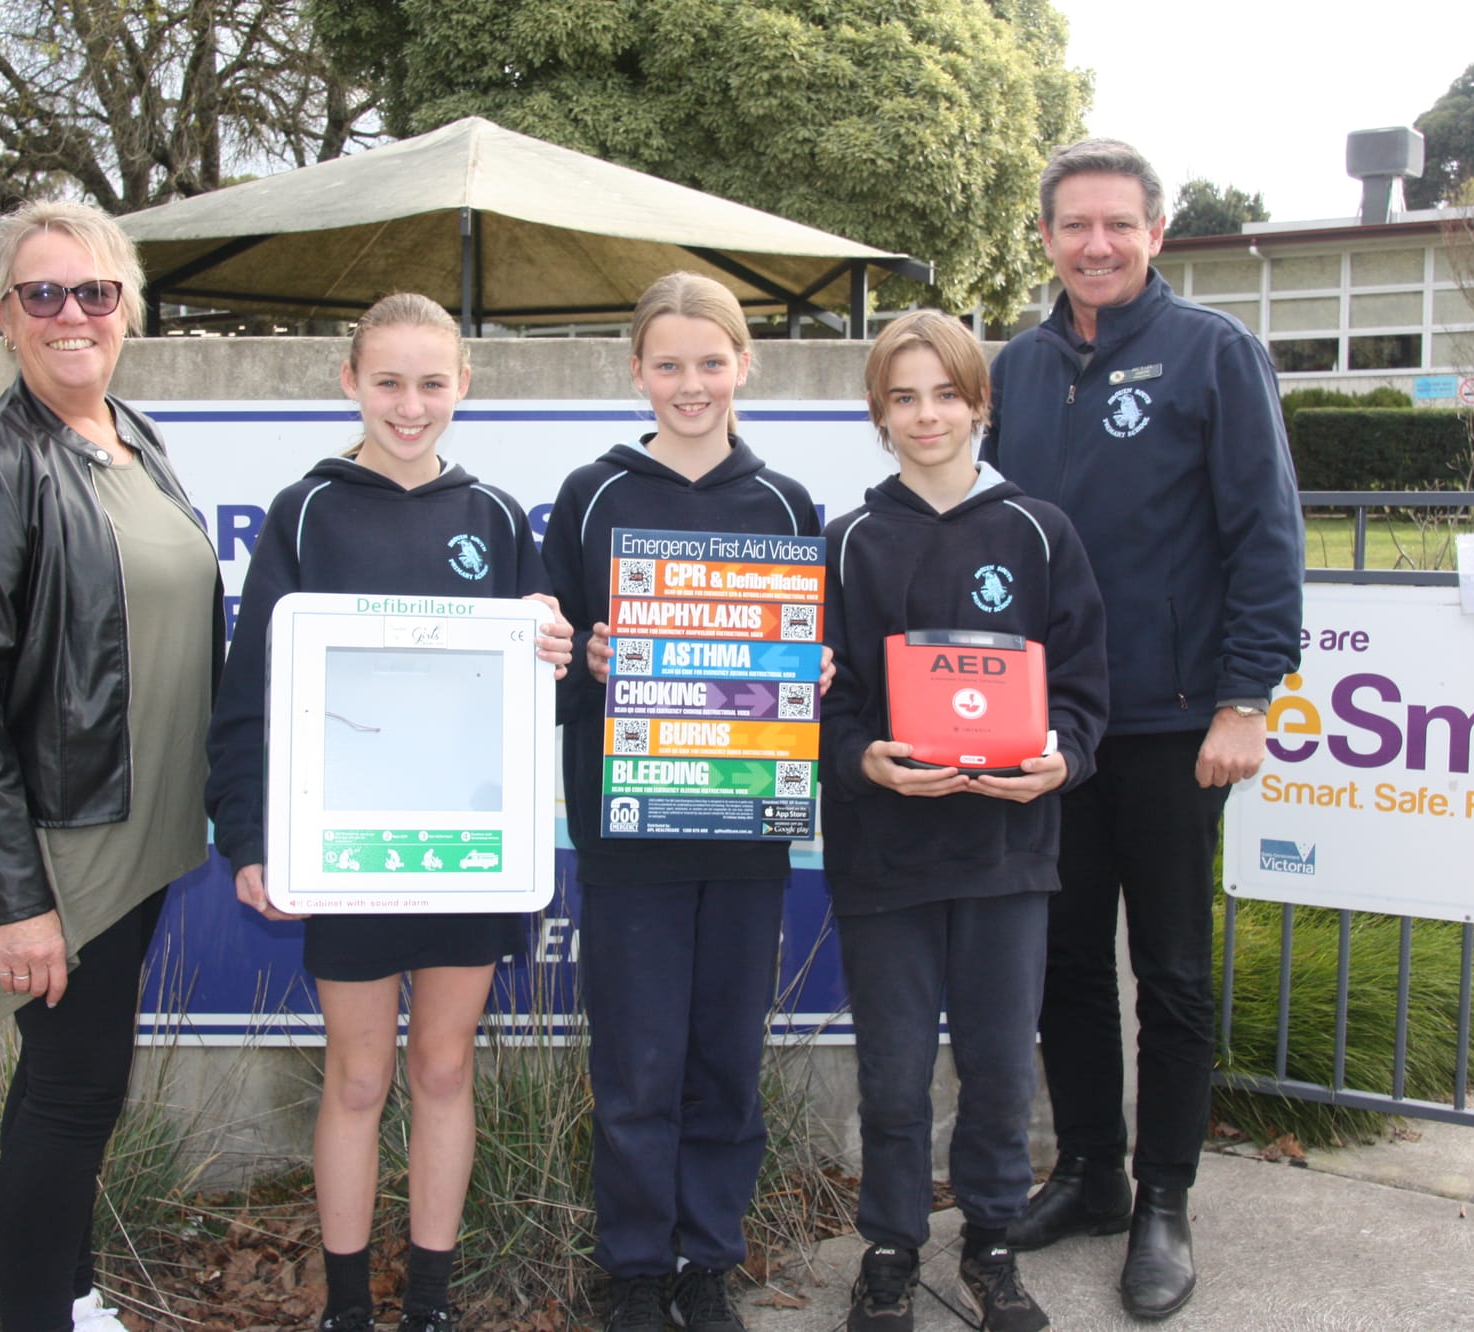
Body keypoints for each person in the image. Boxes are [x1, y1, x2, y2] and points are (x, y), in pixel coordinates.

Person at [979, 138, 1304, 1320]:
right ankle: (1088, 1174)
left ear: (1154, 234)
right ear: (1047, 237)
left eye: (1117, 224)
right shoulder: (1012, 367)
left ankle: (1163, 1200)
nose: (1096, 245)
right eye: (1074, 226)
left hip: (1176, 726)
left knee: (1166, 971)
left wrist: (1243, 700)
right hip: (1050, 726)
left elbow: (1264, 536)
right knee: (1062, 964)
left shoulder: (1210, 353)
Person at [204, 292, 572, 1332]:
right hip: (347, 847)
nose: (409, 406)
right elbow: (250, 696)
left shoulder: (495, 518)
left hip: (464, 849)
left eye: (431, 382)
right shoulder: (306, 511)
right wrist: (248, 836)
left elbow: (538, 683)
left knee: (444, 1067)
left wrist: (547, 639)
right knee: (359, 1080)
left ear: (464, 386)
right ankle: (344, 1310)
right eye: (388, 382)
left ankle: (429, 1305)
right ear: (348, 383)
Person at [0, 200, 224, 1332]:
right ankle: (38, 1318)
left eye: (94, 291)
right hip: (63, 845)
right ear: (4, 315)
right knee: (71, 1092)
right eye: (42, 294)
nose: (71, 314)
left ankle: (70, 1293)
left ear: (128, 308)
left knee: (72, 1089)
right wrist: (16, 900)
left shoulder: (130, 437)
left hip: (139, 826)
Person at [542, 272, 824, 1332]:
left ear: (743, 365)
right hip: (627, 832)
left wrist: (809, 680)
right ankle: (632, 1268)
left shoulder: (789, 504)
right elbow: (550, 660)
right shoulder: (593, 493)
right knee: (636, 1060)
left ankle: (706, 1261)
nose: (690, 383)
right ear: (635, 371)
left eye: (710, 362)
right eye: (668, 364)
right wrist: (590, 661)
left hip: (744, 831)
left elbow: (794, 669)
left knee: (722, 1058)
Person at [821, 311, 1107, 1332]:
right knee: (892, 1070)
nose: (926, 414)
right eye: (903, 397)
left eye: (944, 393)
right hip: (884, 858)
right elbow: (825, 698)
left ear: (979, 402)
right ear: (877, 414)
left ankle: (989, 1240)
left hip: (1004, 853)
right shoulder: (847, 540)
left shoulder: (1037, 532)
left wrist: (1057, 763)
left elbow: (1079, 690)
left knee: (994, 1064)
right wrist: (861, 758)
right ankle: (891, 1247)